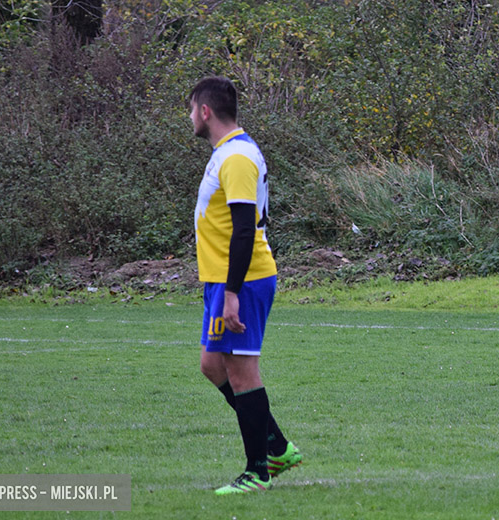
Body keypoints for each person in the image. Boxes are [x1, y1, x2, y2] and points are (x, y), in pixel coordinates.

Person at [188, 76, 302, 493]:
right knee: (212, 364)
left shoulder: (236, 157)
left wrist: (232, 293)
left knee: (241, 371)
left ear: (205, 111)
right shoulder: (227, 153)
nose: (190, 119)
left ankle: (258, 472)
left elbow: (243, 230)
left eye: (191, 110)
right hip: (221, 280)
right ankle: (275, 445)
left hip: (243, 280)